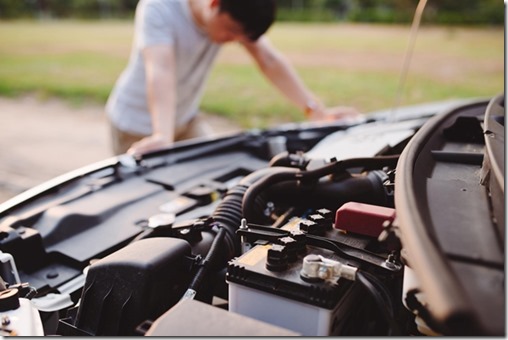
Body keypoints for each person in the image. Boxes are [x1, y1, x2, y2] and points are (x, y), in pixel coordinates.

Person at [105, 0, 361, 156]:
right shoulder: (159, 8)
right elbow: (160, 71)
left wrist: (315, 111)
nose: (235, 41)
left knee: (209, 184)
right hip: (136, 125)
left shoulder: (233, 14)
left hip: (185, 120)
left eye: (243, 37)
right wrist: (162, 134)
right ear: (215, 3)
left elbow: (269, 59)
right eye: (232, 31)